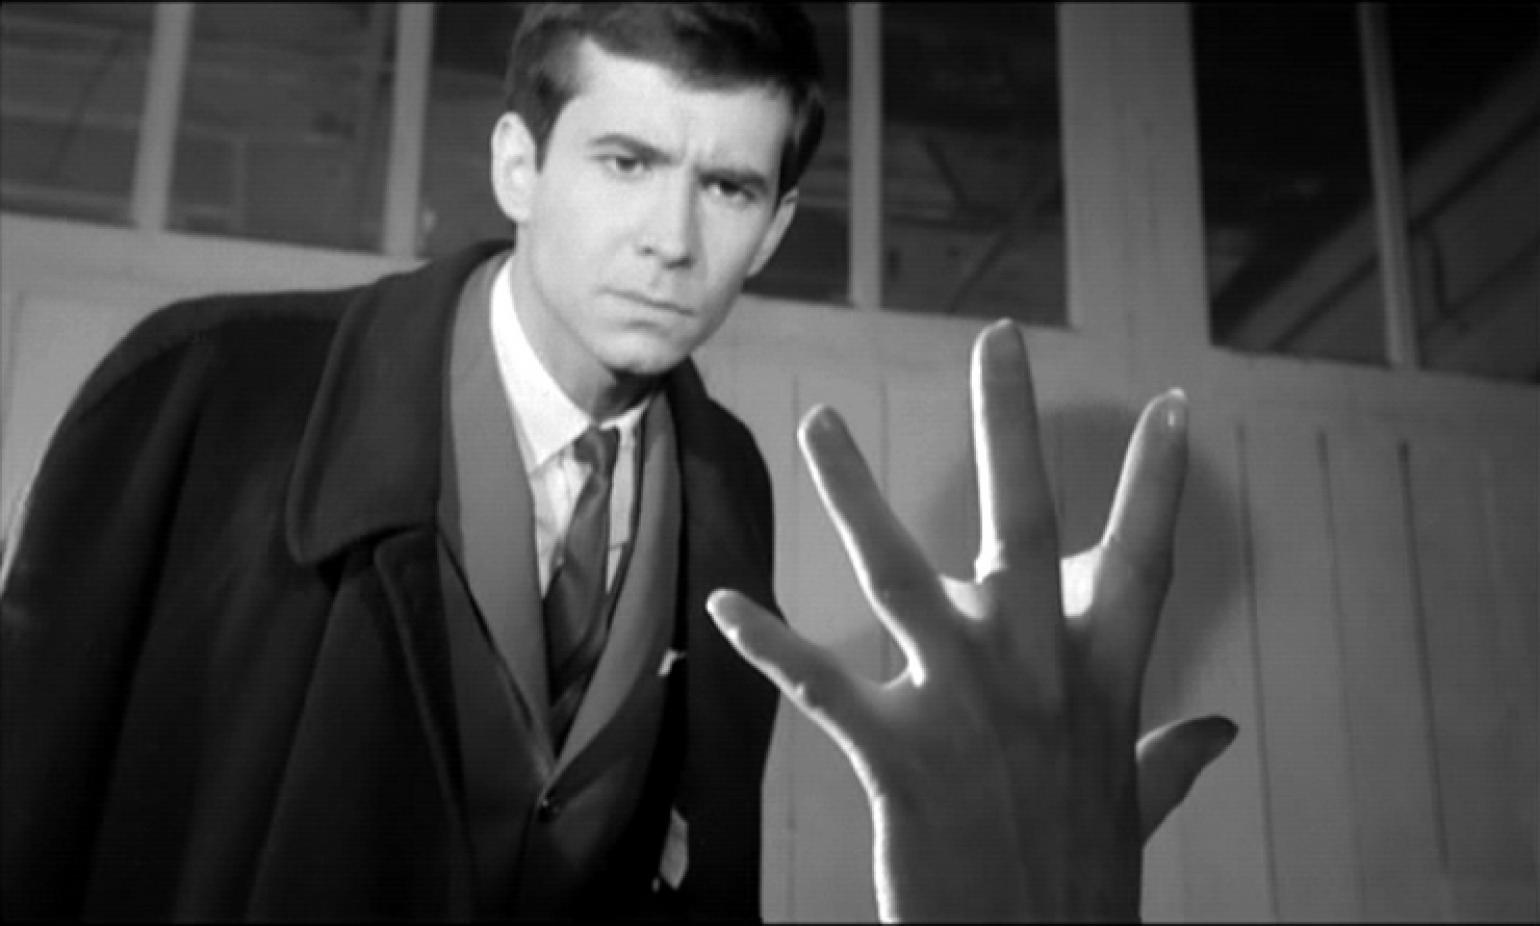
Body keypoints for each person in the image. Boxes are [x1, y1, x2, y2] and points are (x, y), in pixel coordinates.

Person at [0, 3, 1234, 922]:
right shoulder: (201, 390)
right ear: (518, 165)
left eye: (728, 186)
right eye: (627, 162)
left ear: (773, 232)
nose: (671, 239)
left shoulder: (727, 484)